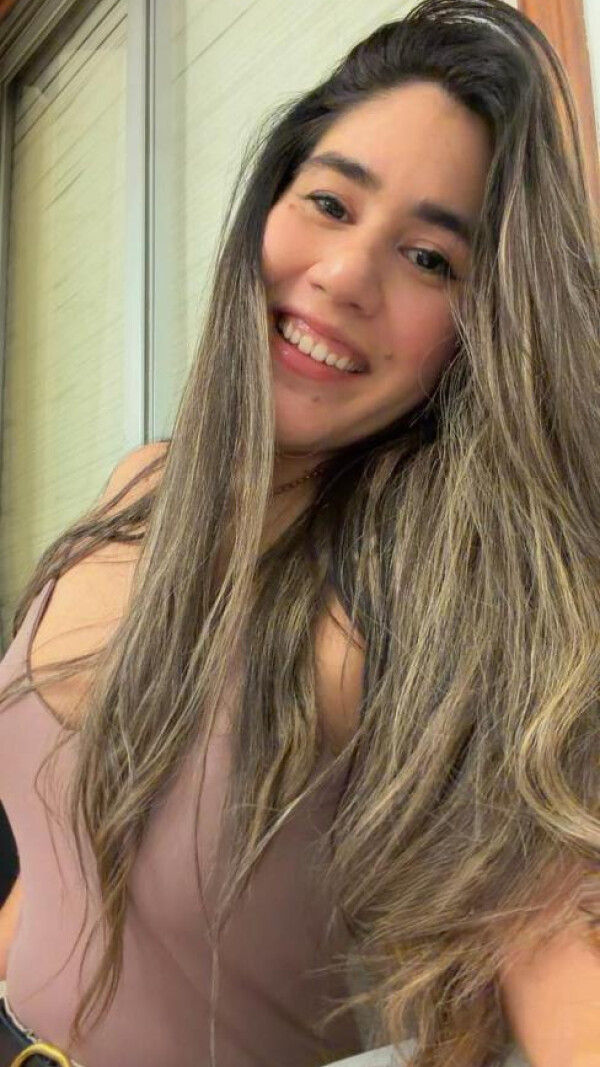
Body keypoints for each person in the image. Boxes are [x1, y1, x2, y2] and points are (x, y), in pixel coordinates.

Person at [0, 0, 598, 1064]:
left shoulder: (439, 596)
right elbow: (60, 859)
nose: (345, 275)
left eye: (430, 259)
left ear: (483, 329)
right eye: (330, 202)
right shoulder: (144, 482)